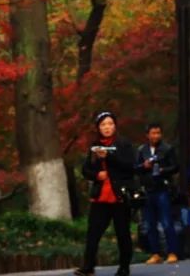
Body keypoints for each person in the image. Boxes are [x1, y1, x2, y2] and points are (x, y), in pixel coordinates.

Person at [75, 111, 136, 276]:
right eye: (103, 125)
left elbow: (130, 167)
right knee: (93, 232)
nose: (107, 127)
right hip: (100, 196)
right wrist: (96, 175)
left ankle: (124, 267)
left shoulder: (123, 144)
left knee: (122, 232)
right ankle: (88, 266)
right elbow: (85, 169)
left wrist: (109, 156)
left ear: (115, 126)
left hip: (119, 196)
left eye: (110, 124)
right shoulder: (94, 146)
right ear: (98, 128)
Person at [136, 123, 180, 264]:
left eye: (158, 133)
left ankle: (172, 252)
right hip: (147, 190)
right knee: (150, 224)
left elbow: (175, 166)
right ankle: (155, 253)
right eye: (153, 133)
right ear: (147, 135)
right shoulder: (142, 150)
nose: (156, 136)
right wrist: (144, 166)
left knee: (167, 222)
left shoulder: (167, 149)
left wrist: (162, 170)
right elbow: (135, 168)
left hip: (162, 189)